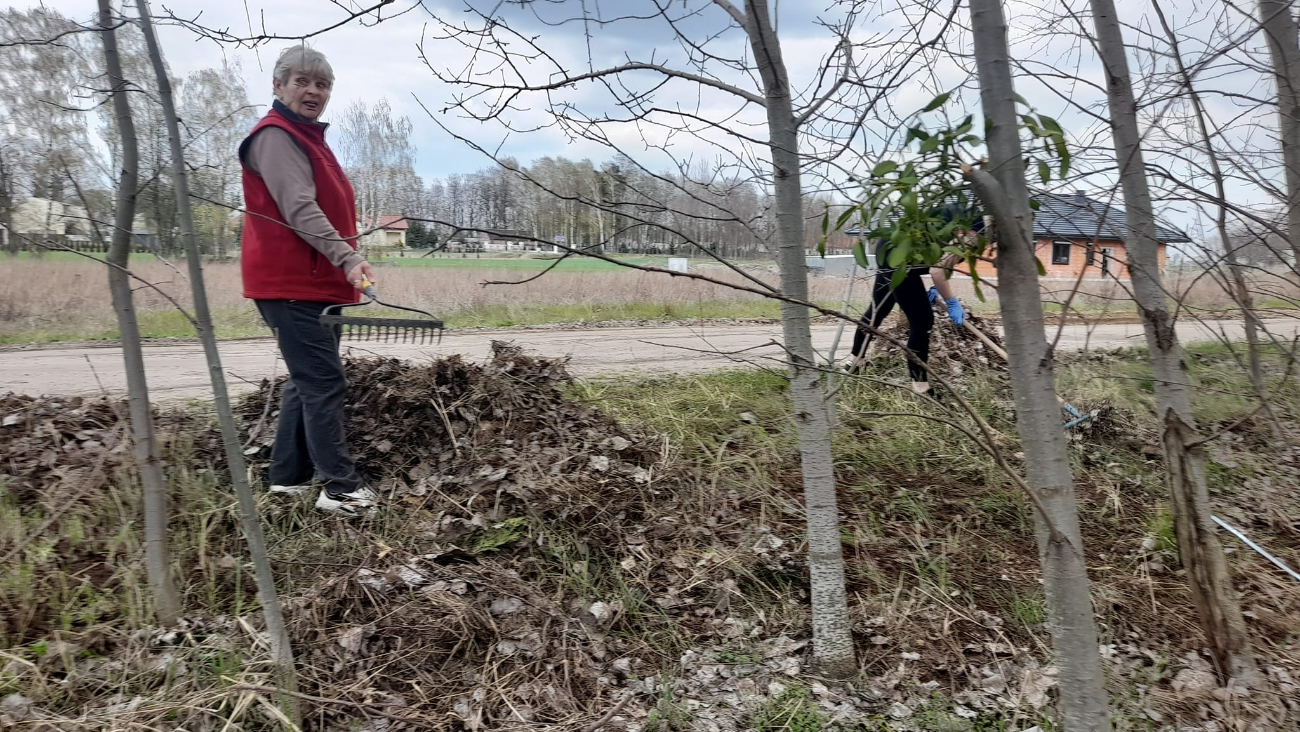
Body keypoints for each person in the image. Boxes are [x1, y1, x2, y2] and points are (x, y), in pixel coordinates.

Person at [239, 45, 377, 516]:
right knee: (323, 384)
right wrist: (346, 256)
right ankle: (340, 489)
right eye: (301, 81)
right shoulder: (277, 137)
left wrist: (344, 261)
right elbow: (300, 210)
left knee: (306, 381)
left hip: (314, 283)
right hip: (293, 283)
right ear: (278, 86)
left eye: (321, 84)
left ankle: (288, 479)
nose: (312, 91)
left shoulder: (308, 138)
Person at [846, 202, 982, 395]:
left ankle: (855, 363)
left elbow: (938, 261)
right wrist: (951, 301)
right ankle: (921, 387)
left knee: (878, 310)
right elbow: (938, 269)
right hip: (899, 259)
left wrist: (936, 288)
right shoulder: (973, 230)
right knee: (922, 320)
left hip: (889, 249)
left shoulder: (963, 216)